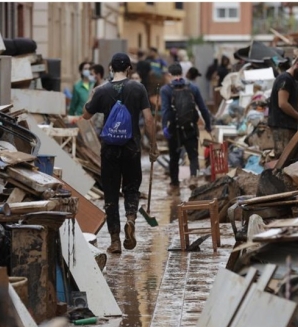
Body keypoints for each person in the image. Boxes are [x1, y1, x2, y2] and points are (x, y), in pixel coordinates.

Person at [83, 53, 158, 254]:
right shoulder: (138, 88)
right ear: (129, 69)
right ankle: (131, 220)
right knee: (132, 188)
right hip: (132, 148)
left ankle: (115, 241)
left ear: (110, 68)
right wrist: (153, 145)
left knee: (110, 194)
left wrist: (93, 95)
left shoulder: (102, 90)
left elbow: (86, 114)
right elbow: (149, 120)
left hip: (109, 149)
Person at [161, 63, 213, 195]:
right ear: (182, 74)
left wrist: (164, 128)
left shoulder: (166, 90)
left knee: (174, 157)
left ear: (169, 75)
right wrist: (208, 124)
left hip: (174, 129)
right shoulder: (193, 88)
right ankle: (194, 178)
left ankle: (175, 186)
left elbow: (166, 111)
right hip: (190, 128)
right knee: (193, 155)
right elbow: (203, 108)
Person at [268, 55, 298, 156]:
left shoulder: (291, 80)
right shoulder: (285, 79)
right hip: (282, 126)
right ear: (297, 64)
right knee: (282, 158)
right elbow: (283, 104)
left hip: (286, 126)